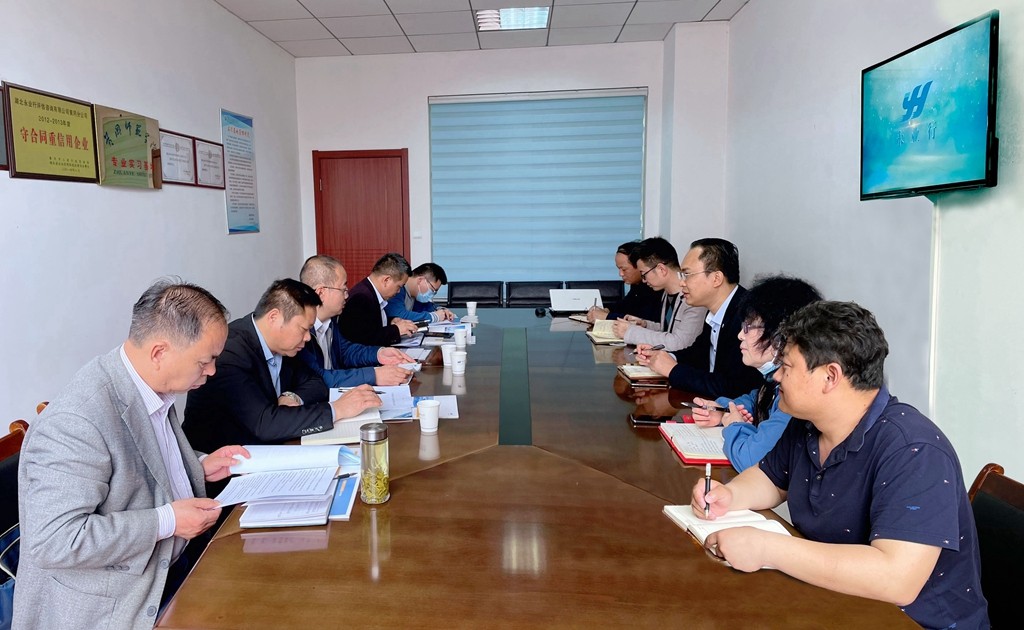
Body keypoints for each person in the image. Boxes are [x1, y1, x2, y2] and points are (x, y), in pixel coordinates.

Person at [692, 301, 988, 629]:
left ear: (830, 376)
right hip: (834, 603)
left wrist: (767, 549)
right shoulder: (807, 422)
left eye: (786, 367)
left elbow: (896, 579)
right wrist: (729, 495)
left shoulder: (914, 450)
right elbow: (771, 478)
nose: (776, 377)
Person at [14, 280, 250, 629]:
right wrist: (167, 521)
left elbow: (143, 462)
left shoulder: (150, 384)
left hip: (169, 565)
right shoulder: (77, 420)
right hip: (116, 602)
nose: (212, 370)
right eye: (206, 360)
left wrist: (198, 465)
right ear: (159, 353)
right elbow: (55, 540)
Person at [183, 279, 381, 454]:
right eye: (303, 329)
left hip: (275, 447)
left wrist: (293, 396)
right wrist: (337, 410)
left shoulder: (286, 346)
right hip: (225, 465)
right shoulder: (231, 352)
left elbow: (316, 382)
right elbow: (265, 424)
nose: (307, 337)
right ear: (274, 317)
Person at [688, 275, 822, 471]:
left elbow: (750, 458)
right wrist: (723, 409)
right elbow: (756, 398)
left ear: (781, 334)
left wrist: (734, 424)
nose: (740, 335)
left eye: (748, 327)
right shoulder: (772, 380)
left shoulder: (795, 392)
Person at [636, 238, 762, 399]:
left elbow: (733, 387)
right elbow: (698, 353)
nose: (682, 283)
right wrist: (664, 357)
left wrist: (673, 370)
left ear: (716, 278)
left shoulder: (750, 317)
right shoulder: (716, 311)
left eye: (687, 274)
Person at [297, 255, 414, 387]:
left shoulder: (331, 321)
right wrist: (374, 375)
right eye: (343, 289)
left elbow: (347, 352)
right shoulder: (301, 332)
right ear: (321, 293)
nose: (347, 295)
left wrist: (379, 353)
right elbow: (318, 378)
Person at [610, 237, 705, 352]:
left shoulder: (694, 299)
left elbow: (679, 343)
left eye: (644, 274)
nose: (644, 280)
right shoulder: (667, 293)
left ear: (661, 269)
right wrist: (645, 324)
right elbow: (667, 329)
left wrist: (630, 332)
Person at [337, 253, 419, 346]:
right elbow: (363, 337)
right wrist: (396, 330)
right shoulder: (361, 298)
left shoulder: (370, 292)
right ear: (386, 280)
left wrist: (390, 321)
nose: (398, 291)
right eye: (399, 286)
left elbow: (370, 325)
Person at [587, 241, 663, 323]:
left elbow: (642, 319)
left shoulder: (654, 285)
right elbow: (624, 305)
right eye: (618, 268)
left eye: (624, 269)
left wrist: (607, 316)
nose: (620, 274)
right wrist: (606, 310)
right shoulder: (637, 284)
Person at [385, 262, 455, 323]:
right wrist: (434, 317)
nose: (432, 295)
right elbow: (401, 316)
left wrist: (441, 310)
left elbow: (426, 306)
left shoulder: (414, 294)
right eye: (432, 290)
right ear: (420, 280)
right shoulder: (397, 289)